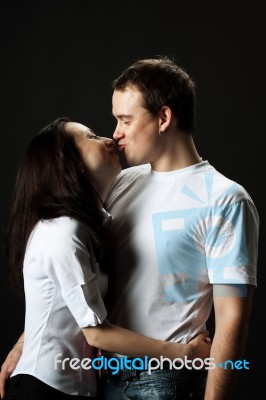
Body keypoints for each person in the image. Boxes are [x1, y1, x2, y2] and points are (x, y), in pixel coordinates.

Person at [0, 117, 211, 399]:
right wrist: (184, 353)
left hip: (79, 387)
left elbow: (62, 304)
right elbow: (96, 334)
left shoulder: (91, 223)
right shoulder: (63, 230)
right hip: (46, 388)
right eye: (91, 137)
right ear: (69, 163)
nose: (109, 139)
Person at [99, 56, 259, 399]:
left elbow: (231, 320)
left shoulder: (225, 199)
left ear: (164, 118)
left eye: (126, 120)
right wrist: (28, 343)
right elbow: (69, 269)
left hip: (167, 383)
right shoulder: (121, 184)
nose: (116, 133)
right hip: (99, 374)